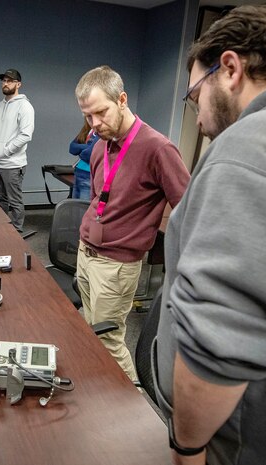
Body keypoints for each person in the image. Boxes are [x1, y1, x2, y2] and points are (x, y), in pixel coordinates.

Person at [154, 6, 266, 465]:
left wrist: (187, 446)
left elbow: (220, 345)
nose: (199, 115)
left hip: (246, 445)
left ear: (229, 69)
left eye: (195, 96)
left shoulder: (254, 148)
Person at [74, 65, 190, 381]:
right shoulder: (99, 145)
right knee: (90, 327)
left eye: (101, 112)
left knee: (108, 339)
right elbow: (99, 198)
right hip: (87, 254)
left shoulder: (158, 148)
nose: (95, 125)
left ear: (122, 99)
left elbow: (188, 208)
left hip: (116, 265)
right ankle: (99, 385)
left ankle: (133, 404)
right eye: (88, 117)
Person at [0, 68, 34, 233]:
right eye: (4, 80)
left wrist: (3, 152)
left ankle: (16, 232)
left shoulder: (25, 106)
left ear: (18, 84)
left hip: (13, 164)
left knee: (14, 201)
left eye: (10, 81)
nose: (5, 83)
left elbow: (25, 136)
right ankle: (2, 229)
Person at [68, 120, 99, 200]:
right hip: (79, 171)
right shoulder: (88, 130)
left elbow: (88, 154)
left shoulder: (102, 131)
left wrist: (83, 149)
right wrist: (87, 147)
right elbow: (72, 148)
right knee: (75, 206)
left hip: (89, 175)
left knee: (84, 208)